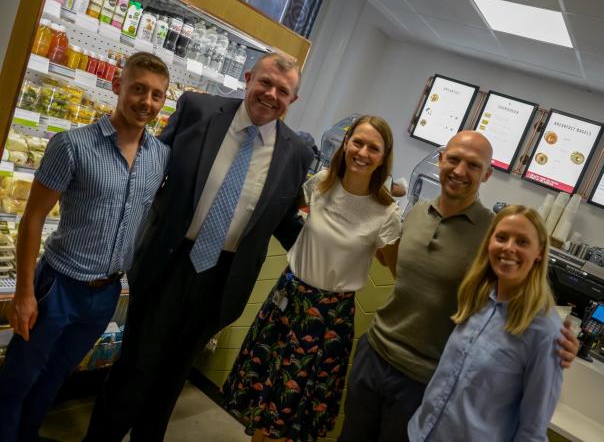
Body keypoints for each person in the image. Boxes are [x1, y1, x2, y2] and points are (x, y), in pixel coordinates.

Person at [85, 52, 314, 441]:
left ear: (293, 99)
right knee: (135, 369)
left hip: (222, 281)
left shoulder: (297, 154)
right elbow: (147, 169)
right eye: (265, 83)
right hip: (168, 263)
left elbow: (284, 221)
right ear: (247, 78)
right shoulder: (197, 109)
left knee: (174, 378)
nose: (271, 94)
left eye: (283, 90)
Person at [338, 131, 579, 442]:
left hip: (423, 379)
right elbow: (401, 271)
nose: (460, 171)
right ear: (441, 160)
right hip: (374, 353)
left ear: (487, 174)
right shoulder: (416, 213)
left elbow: (511, 296)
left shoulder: (492, 234)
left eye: (473, 165)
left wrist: (555, 340)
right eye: (453, 159)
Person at [0, 52, 171, 442]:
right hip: (57, 287)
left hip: (106, 293)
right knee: (18, 380)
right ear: (117, 86)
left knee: (54, 378)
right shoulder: (72, 145)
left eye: (157, 95)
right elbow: (32, 219)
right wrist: (24, 293)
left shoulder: (160, 157)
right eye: (139, 89)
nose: (146, 101)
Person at [222, 115, 402, 442]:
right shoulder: (320, 183)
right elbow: (277, 213)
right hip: (287, 299)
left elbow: (399, 272)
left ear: (383, 156)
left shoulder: (386, 214)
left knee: (294, 410)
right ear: (345, 143)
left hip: (329, 318)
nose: (363, 152)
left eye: (373, 147)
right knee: (264, 396)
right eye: (357, 142)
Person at [408, 205, 562, 441]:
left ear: (539, 252)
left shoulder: (545, 331)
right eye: (501, 237)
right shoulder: (477, 296)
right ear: (489, 242)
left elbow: (533, 431)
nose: (509, 248)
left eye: (522, 242)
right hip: (421, 432)